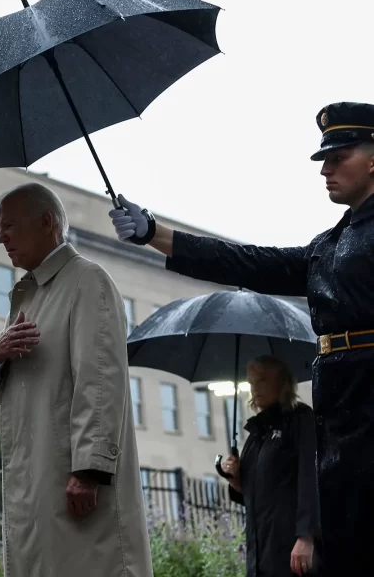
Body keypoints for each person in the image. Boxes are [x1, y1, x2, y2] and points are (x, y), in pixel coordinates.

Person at [108, 101, 374, 576]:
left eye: (339, 157)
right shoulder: (328, 245)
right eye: (324, 161)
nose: (326, 170)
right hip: (340, 409)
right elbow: (250, 262)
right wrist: (154, 232)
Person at [0, 182, 152, 577]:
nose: (0, 237)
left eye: (9, 226)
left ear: (46, 222)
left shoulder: (88, 280)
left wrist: (89, 470)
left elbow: (101, 379)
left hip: (73, 483)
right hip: (36, 485)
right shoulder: (27, 296)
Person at [220, 355, 320, 576]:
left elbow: (309, 477)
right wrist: (236, 480)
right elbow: (254, 492)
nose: (255, 387)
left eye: (262, 380)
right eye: (252, 382)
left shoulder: (300, 420)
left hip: (291, 549)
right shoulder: (257, 433)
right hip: (260, 552)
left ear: (282, 382)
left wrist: (306, 535)